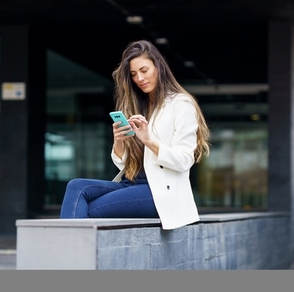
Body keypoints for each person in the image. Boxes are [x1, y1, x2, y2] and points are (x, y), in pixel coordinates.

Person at [60, 40, 210, 230]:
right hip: (131, 184)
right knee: (76, 187)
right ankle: (72, 255)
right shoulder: (139, 105)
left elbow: (184, 160)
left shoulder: (181, 104)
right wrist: (119, 142)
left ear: (159, 67)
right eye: (133, 74)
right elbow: (124, 164)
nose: (139, 78)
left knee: (88, 211)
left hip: (160, 192)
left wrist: (148, 141)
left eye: (144, 70)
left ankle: (69, 256)